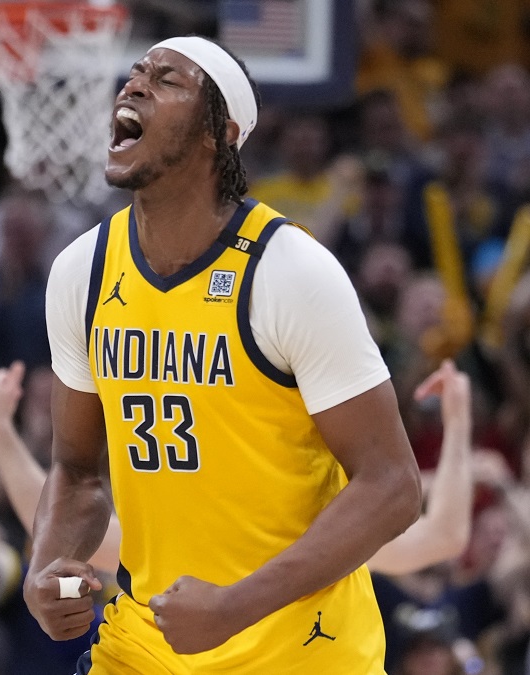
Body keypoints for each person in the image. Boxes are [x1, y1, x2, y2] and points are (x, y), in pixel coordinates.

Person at [24, 36, 422, 673]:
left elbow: (393, 485)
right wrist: (46, 568)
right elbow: (76, 471)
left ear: (220, 133)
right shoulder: (83, 272)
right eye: (136, 73)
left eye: (167, 80)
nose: (135, 85)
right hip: (145, 642)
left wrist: (236, 606)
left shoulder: (291, 272)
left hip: (298, 650)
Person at [0, 358, 473, 578]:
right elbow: (442, 537)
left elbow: (442, 538)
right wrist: (457, 421)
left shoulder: (309, 533)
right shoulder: (306, 534)